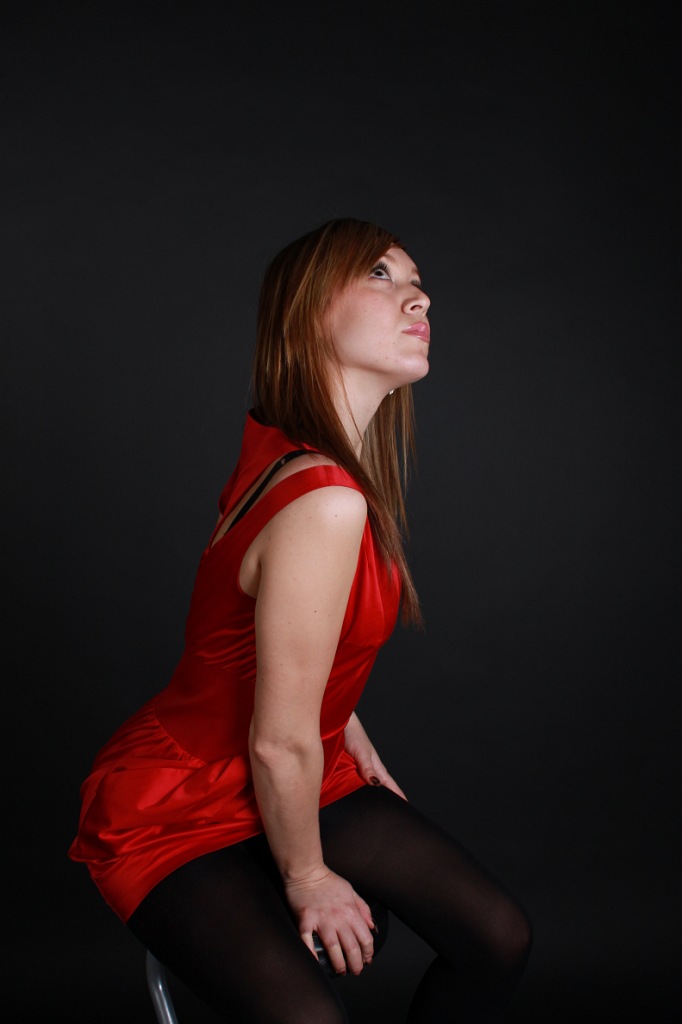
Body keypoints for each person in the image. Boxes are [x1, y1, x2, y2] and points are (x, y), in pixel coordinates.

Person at [70, 218, 531, 1023]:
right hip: (179, 802)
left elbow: (265, 643)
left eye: (417, 280)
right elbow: (276, 740)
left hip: (296, 765)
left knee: (497, 936)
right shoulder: (324, 499)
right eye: (381, 275)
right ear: (310, 314)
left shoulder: (288, 452)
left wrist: (346, 728)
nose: (419, 297)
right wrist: (309, 877)